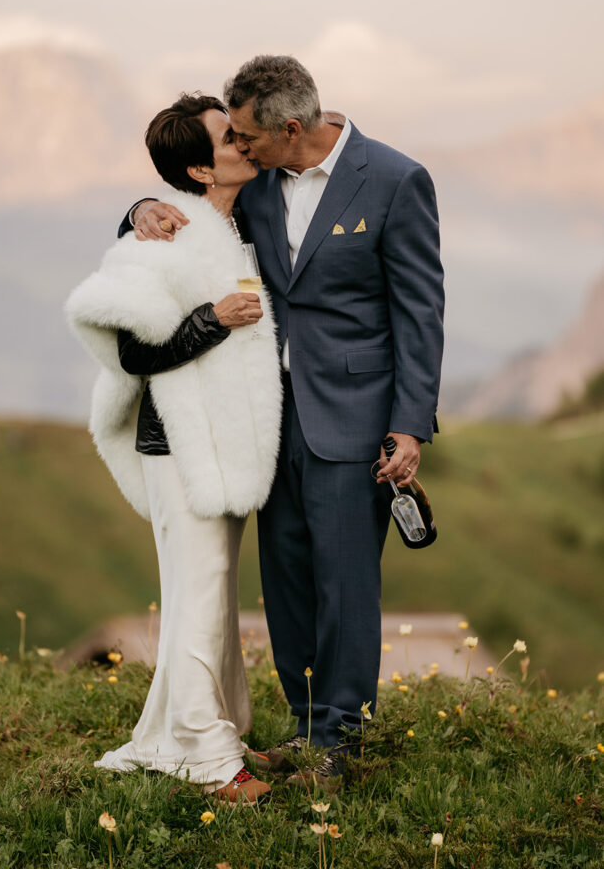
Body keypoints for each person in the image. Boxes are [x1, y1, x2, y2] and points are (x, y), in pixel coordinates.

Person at [121, 55, 445, 787]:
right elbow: (200, 200)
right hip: (269, 418)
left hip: (355, 418)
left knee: (345, 583)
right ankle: (303, 729)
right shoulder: (260, 179)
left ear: (287, 129)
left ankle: (342, 743)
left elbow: (419, 313)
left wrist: (410, 425)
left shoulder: (395, 180)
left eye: (246, 136)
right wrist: (139, 210)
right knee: (288, 578)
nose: (239, 146)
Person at [66, 94, 282, 805]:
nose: (245, 144)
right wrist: (210, 321)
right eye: (229, 138)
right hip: (181, 452)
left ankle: (187, 732)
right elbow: (130, 348)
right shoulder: (164, 237)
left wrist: (137, 203)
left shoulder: (239, 220)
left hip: (230, 448)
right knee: (200, 599)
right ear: (197, 164)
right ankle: (208, 758)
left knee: (209, 596)